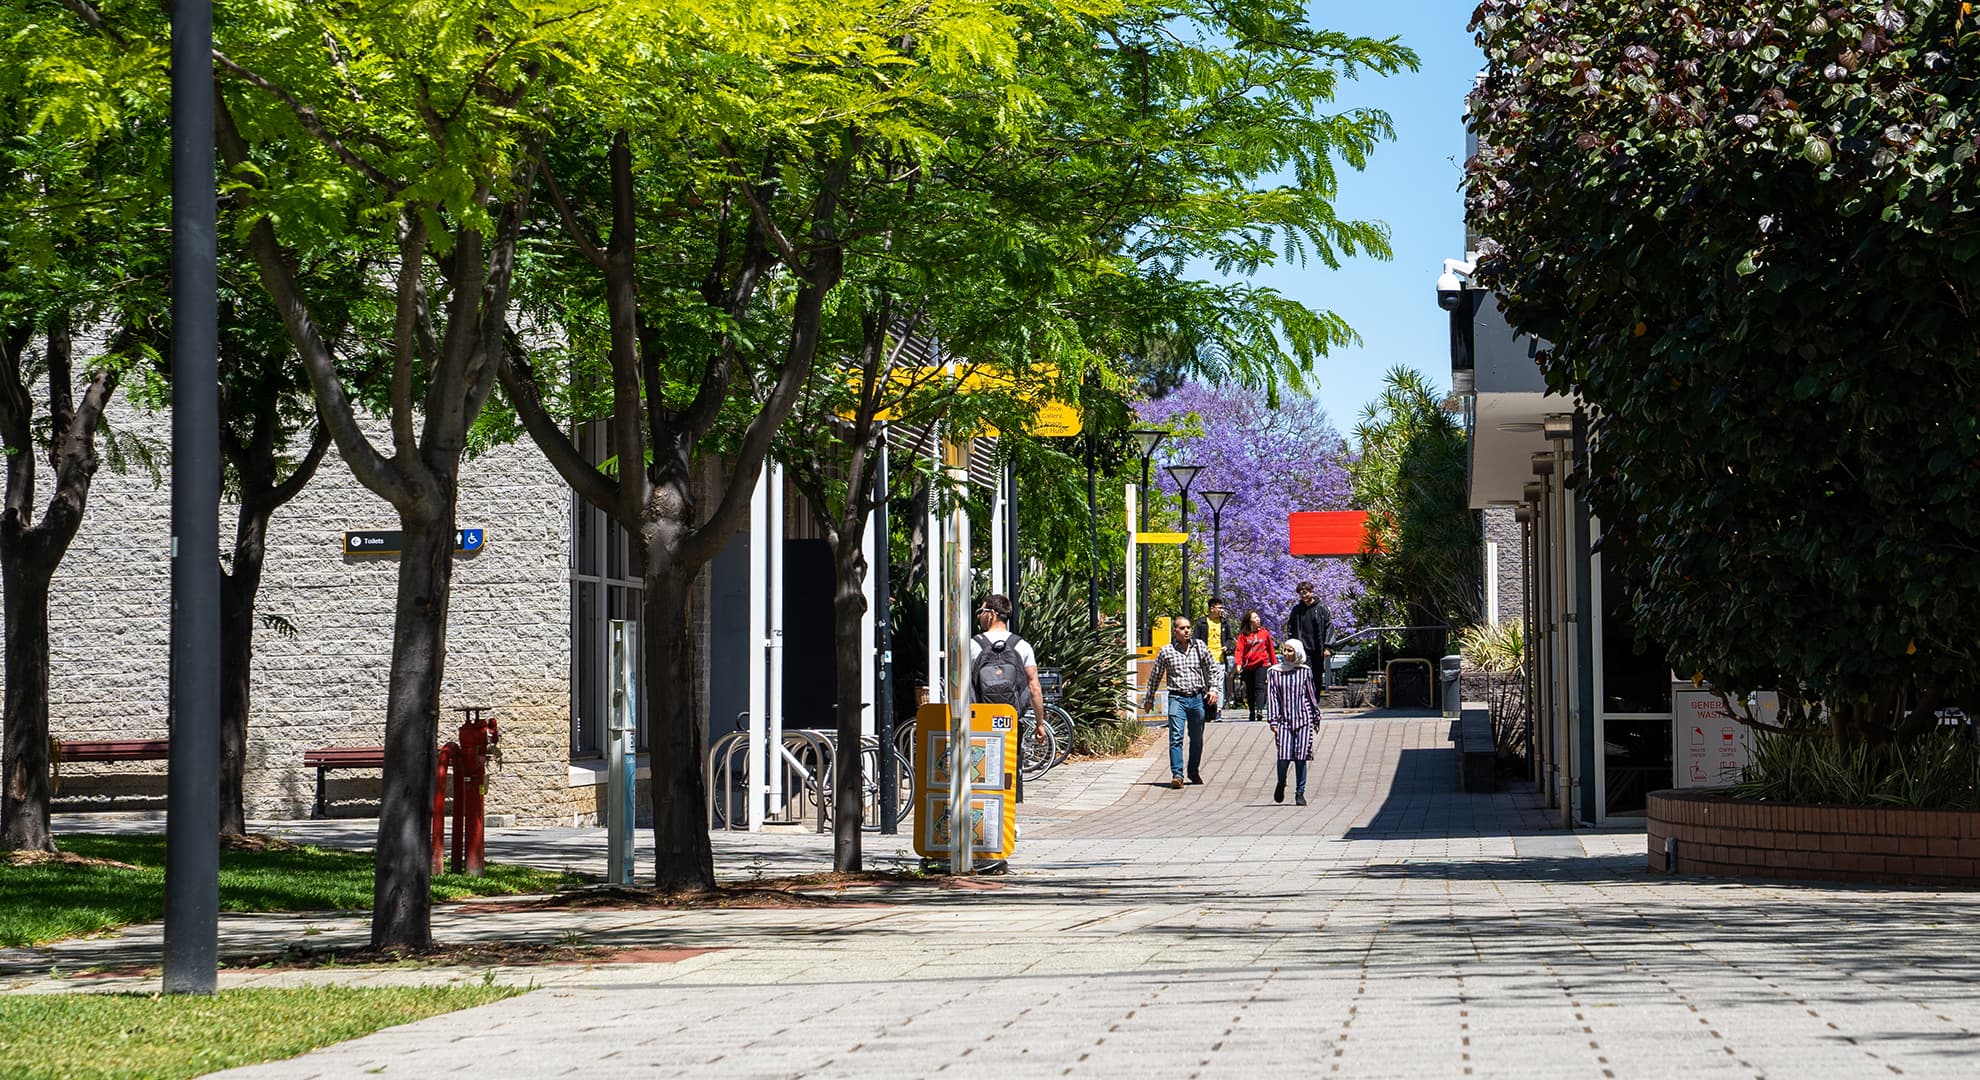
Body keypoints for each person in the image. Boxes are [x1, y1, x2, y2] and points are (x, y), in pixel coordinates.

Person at [1142, 614, 1218, 788]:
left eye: (1188, 628)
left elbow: (1213, 669)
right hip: (1177, 698)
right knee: (1176, 736)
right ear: (1174, 630)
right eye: (1182, 628)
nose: (1186, 631)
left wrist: (1213, 689)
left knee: (1197, 737)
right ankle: (1177, 775)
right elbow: (1155, 676)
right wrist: (1149, 698)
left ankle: (1193, 770)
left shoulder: (1199, 647)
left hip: (1197, 698)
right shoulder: (1166, 651)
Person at [971, 592, 1047, 745]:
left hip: (979, 720)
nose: (979, 616)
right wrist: (1040, 723)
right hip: (1010, 720)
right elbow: (1034, 687)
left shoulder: (972, 646)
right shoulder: (1022, 646)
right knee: (1011, 765)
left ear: (991, 614)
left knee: (979, 765)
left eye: (981, 612)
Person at [1265, 638, 1320, 806]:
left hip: (1303, 719)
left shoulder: (1304, 671)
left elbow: (1311, 695)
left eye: (1290, 651)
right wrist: (1273, 720)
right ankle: (1281, 782)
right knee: (1284, 756)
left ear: (1297, 652)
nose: (1286, 654)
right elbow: (1272, 697)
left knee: (1301, 756)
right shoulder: (1275, 672)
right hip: (1284, 720)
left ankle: (1300, 792)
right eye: (1284, 650)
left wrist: (1315, 717)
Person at [1287, 580, 1334, 687]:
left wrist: (1327, 647)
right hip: (1302, 648)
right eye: (1301, 593)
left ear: (1312, 592)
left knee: (1317, 676)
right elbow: (1291, 628)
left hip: (1318, 647)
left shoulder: (1321, 608)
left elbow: (1328, 626)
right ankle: (1306, 701)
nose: (1304, 595)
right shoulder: (1297, 610)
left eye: (1306, 592)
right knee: (1304, 675)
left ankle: (1315, 700)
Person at [1234, 610, 1276, 723]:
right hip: (1248, 666)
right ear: (1249, 621)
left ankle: (1260, 711)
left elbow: (1271, 650)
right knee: (1250, 689)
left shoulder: (1264, 633)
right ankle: (1252, 711)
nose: (1258, 619)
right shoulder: (1243, 636)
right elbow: (1239, 650)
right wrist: (1238, 664)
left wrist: (1275, 665)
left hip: (1262, 664)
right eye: (1255, 617)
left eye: (1258, 617)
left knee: (1260, 687)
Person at [1202, 599, 1232, 722]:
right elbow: (1196, 639)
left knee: (1219, 686)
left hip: (1219, 658)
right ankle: (1207, 711)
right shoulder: (1202, 623)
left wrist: (1227, 646)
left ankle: (1218, 710)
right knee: (1206, 685)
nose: (1221, 610)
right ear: (1211, 608)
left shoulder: (1224, 623)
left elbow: (1230, 639)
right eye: (1219, 608)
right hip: (1205, 660)